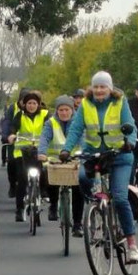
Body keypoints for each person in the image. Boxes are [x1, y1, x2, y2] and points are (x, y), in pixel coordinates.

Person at [60, 70, 138, 263]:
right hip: (93, 154)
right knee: (81, 177)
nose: (99, 90)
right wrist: (66, 149)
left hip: (119, 155)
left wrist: (129, 141)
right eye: (96, 86)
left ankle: (132, 244)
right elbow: (76, 128)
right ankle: (97, 208)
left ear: (109, 88)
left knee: (121, 198)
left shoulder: (120, 102)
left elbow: (130, 124)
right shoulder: (86, 104)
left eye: (102, 86)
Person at [38, 94, 85, 236]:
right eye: (61, 110)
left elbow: (82, 139)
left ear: (72, 110)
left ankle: (77, 224)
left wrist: (83, 152)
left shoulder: (79, 122)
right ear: (57, 111)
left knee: (78, 189)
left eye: (67, 110)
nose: (64, 113)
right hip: (54, 160)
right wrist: (42, 152)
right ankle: (53, 205)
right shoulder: (51, 123)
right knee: (51, 179)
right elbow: (44, 138)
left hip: (74, 160)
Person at [7, 90, 51, 221]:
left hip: (40, 150)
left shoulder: (45, 114)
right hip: (22, 151)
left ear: (38, 104)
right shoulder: (20, 115)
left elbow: (51, 127)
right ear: (24, 104)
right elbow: (13, 127)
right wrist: (12, 134)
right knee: (22, 178)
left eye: (34, 103)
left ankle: (43, 191)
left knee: (45, 170)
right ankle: (19, 209)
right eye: (29, 103)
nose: (31, 105)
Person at [0, 88, 32, 196]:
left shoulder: (38, 109)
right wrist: (6, 135)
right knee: (12, 162)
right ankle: (12, 185)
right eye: (24, 101)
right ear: (20, 100)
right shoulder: (13, 108)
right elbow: (7, 123)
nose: (27, 104)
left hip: (33, 144)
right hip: (15, 142)